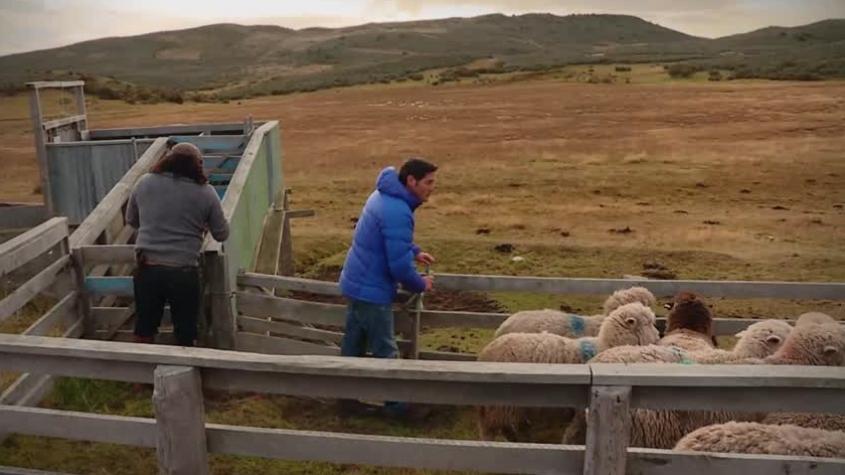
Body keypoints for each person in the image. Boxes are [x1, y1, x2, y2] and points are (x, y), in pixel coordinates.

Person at [338, 157, 437, 417]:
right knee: (385, 349)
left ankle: (345, 399)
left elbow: (384, 238)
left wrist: (413, 250)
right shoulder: (398, 211)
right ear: (411, 181)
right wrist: (420, 283)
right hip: (372, 289)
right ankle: (397, 407)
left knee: (353, 345)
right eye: (428, 182)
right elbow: (399, 268)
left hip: (356, 281)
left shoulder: (382, 196)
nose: (432, 187)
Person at [126, 142, 229, 347]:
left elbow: (132, 220)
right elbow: (222, 234)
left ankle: (141, 376)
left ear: (167, 160)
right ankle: (186, 373)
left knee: (144, 328)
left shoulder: (145, 182)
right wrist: (201, 225)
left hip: (148, 267)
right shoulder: (206, 192)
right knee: (185, 330)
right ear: (197, 165)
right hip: (183, 270)